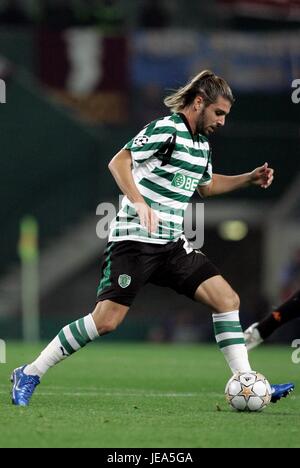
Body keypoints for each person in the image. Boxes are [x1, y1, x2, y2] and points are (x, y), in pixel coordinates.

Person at [11, 70, 294, 406]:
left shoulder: (201, 145)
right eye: (218, 113)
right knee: (106, 321)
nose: (221, 121)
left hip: (172, 245)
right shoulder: (167, 129)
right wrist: (140, 202)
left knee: (226, 300)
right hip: (134, 240)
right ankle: (30, 372)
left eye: (225, 116)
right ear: (199, 102)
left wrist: (247, 178)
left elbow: (205, 186)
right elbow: (119, 162)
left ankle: (247, 382)